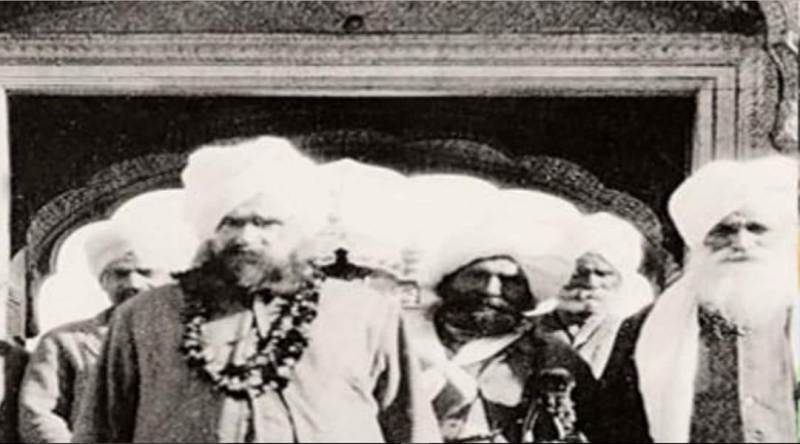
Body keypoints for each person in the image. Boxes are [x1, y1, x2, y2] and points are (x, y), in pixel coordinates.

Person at [72, 136, 438, 443]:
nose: (246, 238)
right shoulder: (144, 316)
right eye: (230, 223)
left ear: (298, 228)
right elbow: (101, 430)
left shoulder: (367, 313)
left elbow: (412, 428)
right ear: (208, 230)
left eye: (264, 223)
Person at [602, 154, 799, 443]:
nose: (742, 243)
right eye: (724, 230)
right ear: (699, 240)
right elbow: (619, 423)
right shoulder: (647, 328)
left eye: (756, 228)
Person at [405, 190, 599, 443]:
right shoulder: (401, 336)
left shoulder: (552, 356)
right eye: (477, 276)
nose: (490, 290)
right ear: (450, 279)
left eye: (510, 281)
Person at [17, 223, 167, 443]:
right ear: (103, 283)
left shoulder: (193, 341)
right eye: (120, 274)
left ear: (167, 280)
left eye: (145, 272)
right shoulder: (64, 343)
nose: (133, 283)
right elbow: (38, 414)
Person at [536, 212, 654, 378]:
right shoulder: (535, 322)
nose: (591, 283)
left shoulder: (630, 330)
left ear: (621, 280)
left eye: (602, 274)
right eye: (578, 273)